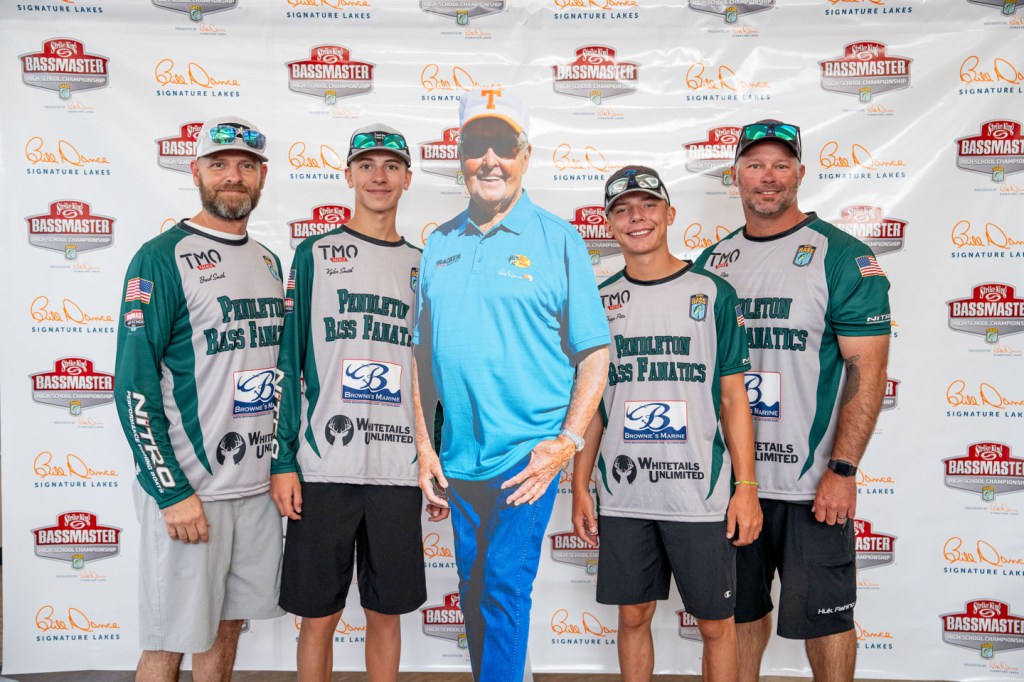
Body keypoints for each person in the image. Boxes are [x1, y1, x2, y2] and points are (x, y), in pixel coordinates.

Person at [412, 89, 610, 682]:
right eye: (477, 147)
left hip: (528, 457)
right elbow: (421, 358)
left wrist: (565, 443)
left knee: (502, 586)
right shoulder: (440, 243)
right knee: (473, 589)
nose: (490, 160)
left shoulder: (558, 239)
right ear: (461, 158)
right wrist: (424, 447)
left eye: (503, 146)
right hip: (458, 458)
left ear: (525, 156)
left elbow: (594, 354)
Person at [693, 120, 891, 682]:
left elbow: (868, 371)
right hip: (736, 483)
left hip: (812, 486)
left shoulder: (841, 255)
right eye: (755, 165)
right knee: (736, 617)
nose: (768, 177)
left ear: (800, 174)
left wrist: (842, 470)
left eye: (781, 165)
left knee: (827, 621)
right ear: (735, 176)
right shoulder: (713, 262)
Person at [571, 165, 761, 682]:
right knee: (633, 617)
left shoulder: (713, 292)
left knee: (716, 625)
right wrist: (581, 487)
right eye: (623, 210)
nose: (637, 217)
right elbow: (592, 406)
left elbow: (733, 398)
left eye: (648, 205)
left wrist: (746, 488)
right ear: (608, 224)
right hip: (625, 495)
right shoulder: (598, 302)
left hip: (699, 495)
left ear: (670, 214)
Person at [271, 124, 443, 682]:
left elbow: (432, 375)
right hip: (324, 467)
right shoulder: (315, 254)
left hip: (397, 467)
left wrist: (434, 459)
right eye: (366, 165)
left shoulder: (425, 265)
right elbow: (288, 360)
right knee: (318, 617)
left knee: (385, 613)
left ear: (408, 179)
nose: (378, 176)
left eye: (391, 166)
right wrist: (283, 460)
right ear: (348, 175)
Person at [115, 115, 285, 681]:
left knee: (226, 629)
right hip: (193, 491)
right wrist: (170, 491)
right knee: (170, 642)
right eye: (219, 164)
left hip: (256, 490)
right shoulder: (161, 257)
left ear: (261, 176)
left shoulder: (268, 261)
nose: (232, 176)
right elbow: (134, 383)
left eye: (245, 166)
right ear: (196, 172)